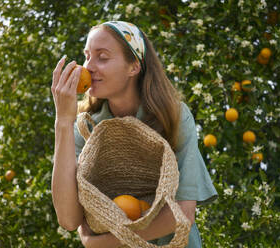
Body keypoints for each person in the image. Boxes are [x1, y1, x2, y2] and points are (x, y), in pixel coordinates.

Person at [51, 21, 217, 248]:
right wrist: (63, 121)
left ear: (133, 67)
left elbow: (182, 215)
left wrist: (99, 244)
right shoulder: (86, 126)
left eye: (103, 57)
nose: (88, 66)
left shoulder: (173, 116)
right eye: (87, 56)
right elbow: (69, 219)